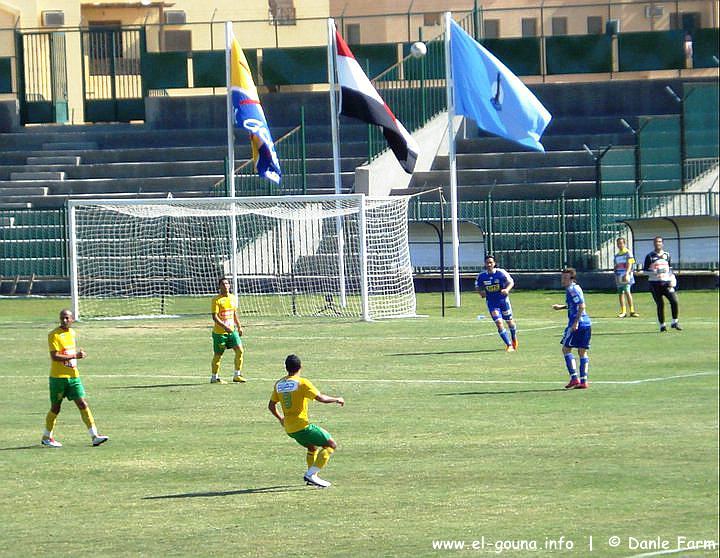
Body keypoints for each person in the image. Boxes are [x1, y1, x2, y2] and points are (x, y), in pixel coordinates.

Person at [268, 354, 344, 488]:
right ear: (300, 367)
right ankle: (311, 474)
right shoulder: (302, 383)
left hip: (289, 429)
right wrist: (337, 399)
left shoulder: (279, 384)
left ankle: (311, 478)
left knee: (312, 447)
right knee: (331, 444)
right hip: (302, 426)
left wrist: (281, 419)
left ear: (286, 368)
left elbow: (271, 405)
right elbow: (321, 398)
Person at [42, 309, 109, 448]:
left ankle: (94, 436)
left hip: (74, 377)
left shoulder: (71, 333)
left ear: (72, 319)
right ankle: (47, 437)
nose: (64, 320)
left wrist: (77, 356)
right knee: (55, 408)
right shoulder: (53, 335)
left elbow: (69, 352)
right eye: (62, 318)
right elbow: (55, 357)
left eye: (67, 318)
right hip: (58, 378)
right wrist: (75, 356)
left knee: (83, 404)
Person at [552, 268, 591, 390]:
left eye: (565, 278)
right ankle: (583, 381)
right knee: (582, 352)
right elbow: (575, 304)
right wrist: (562, 307)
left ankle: (574, 378)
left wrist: (575, 323)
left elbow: (581, 306)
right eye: (562, 277)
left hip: (578, 324)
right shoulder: (576, 288)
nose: (562, 280)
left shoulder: (572, 290)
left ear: (572, 279)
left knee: (566, 349)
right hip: (587, 324)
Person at [474, 255, 518, 352]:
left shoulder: (501, 273)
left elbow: (511, 282)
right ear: (485, 264)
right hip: (492, 303)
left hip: (503, 302)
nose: (489, 264)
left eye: (491, 262)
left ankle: (514, 337)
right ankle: (509, 345)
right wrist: (480, 292)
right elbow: (477, 285)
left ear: (494, 263)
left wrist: (507, 289)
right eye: (487, 263)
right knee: (498, 322)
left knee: (510, 322)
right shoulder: (482, 276)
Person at [210, 277, 245, 384]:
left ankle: (237, 375)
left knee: (240, 351)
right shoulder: (216, 300)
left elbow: (234, 313)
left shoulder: (233, 298)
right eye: (223, 284)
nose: (226, 285)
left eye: (227, 283)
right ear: (219, 286)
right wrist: (225, 327)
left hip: (232, 331)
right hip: (220, 333)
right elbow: (214, 317)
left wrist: (239, 326)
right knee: (218, 355)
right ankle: (214, 377)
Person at [643, 236, 681, 332]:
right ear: (654, 243)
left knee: (674, 301)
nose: (658, 243)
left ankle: (674, 322)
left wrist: (672, 279)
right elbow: (645, 272)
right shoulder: (650, 256)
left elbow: (670, 269)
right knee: (660, 304)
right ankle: (662, 325)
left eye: (659, 242)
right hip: (654, 284)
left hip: (666, 283)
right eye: (656, 242)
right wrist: (655, 272)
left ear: (662, 243)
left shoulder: (667, 255)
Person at [613, 237, 639, 318]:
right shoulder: (616, 255)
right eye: (618, 243)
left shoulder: (628, 253)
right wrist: (615, 271)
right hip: (619, 275)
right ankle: (623, 311)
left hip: (626, 275)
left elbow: (630, 264)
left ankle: (632, 311)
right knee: (620, 293)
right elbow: (616, 265)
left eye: (621, 243)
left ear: (624, 243)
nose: (620, 245)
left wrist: (627, 274)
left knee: (627, 291)